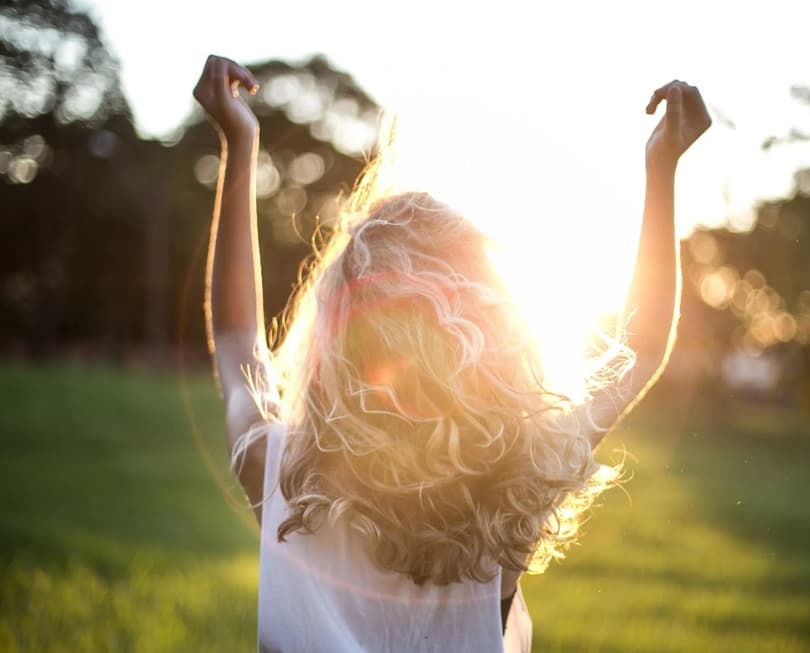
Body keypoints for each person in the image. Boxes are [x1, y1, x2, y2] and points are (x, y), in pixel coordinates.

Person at [193, 54, 711, 652]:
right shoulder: (514, 483)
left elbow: (238, 342)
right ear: (489, 341)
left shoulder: (283, 474)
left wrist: (240, 142)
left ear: (333, 343)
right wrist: (662, 168)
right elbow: (638, 348)